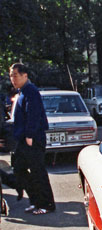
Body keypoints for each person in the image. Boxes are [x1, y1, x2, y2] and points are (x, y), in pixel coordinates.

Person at [9, 63, 55, 214]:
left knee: (38, 171)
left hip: (33, 138)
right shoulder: (22, 92)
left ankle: (46, 204)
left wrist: (30, 135)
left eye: (15, 75)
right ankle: (35, 201)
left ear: (25, 76)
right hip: (23, 139)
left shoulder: (31, 91)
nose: (12, 79)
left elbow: (33, 115)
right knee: (19, 169)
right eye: (11, 76)